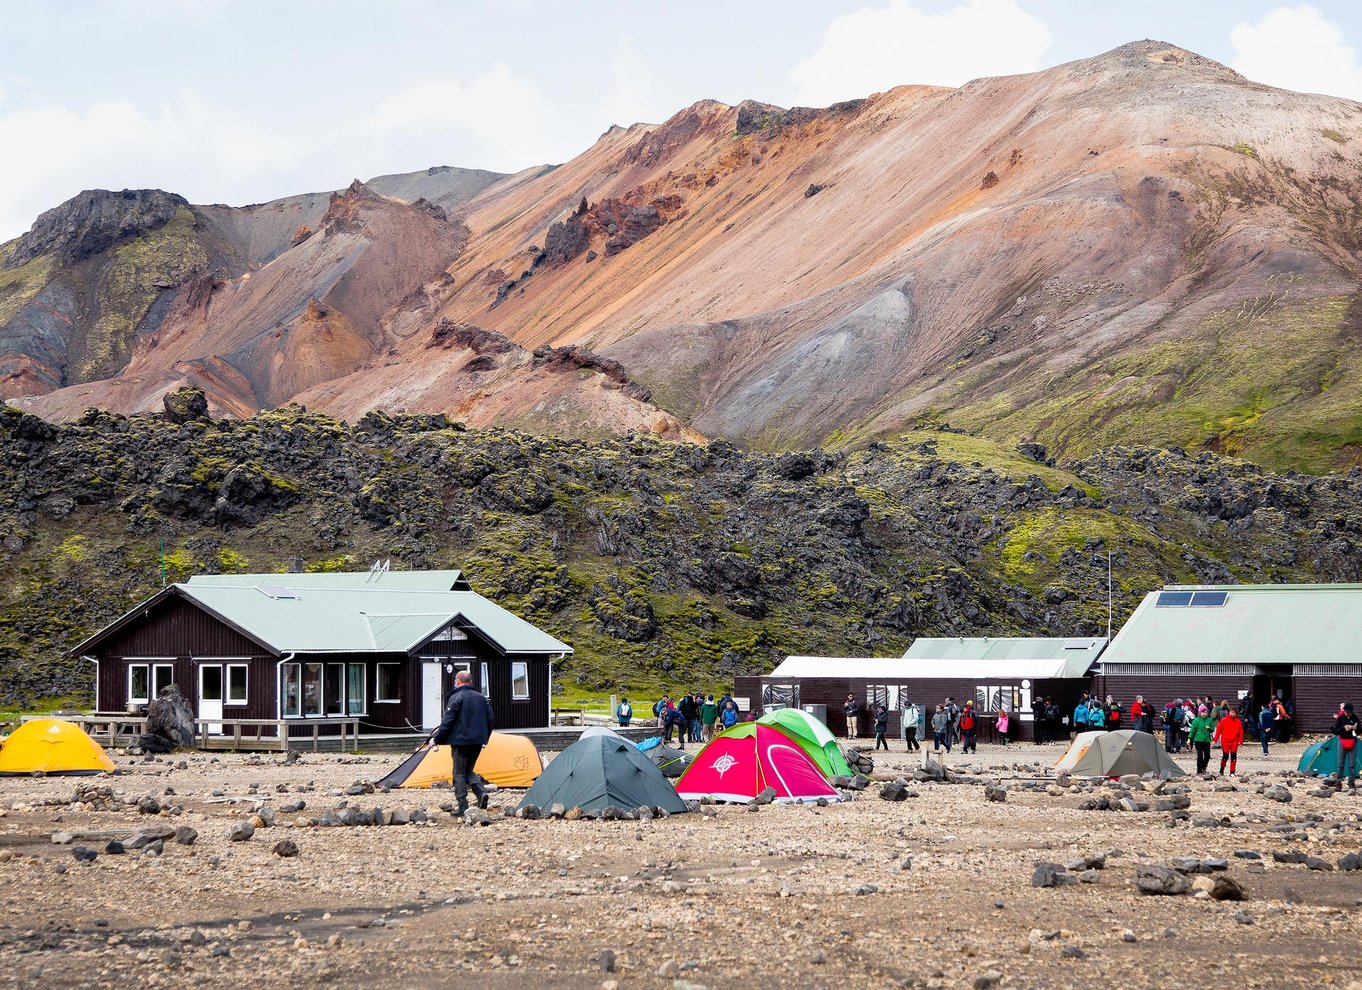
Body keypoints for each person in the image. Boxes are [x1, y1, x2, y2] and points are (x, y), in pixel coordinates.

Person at [429, 669, 494, 816]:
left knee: (458, 773)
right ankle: (481, 793)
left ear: (457, 682)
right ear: (470, 682)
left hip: (461, 742)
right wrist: (485, 738)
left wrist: (436, 739)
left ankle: (463, 806)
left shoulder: (456, 698)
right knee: (469, 770)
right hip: (478, 741)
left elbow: (447, 721)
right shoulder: (482, 699)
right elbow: (490, 720)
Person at [1334, 702, 1360, 788]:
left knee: (1352, 765)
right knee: (1340, 765)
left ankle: (1351, 783)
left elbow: (1360, 730)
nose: (1348, 714)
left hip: (1352, 742)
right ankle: (1338, 783)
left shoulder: (1355, 718)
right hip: (1342, 742)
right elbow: (1335, 731)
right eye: (1347, 712)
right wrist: (1343, 728)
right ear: (1344, 711)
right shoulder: (1340, 718)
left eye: (1350, 712)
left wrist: (1355, 728)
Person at [1214, 704, 1244, 775]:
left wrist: (1241, 741)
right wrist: (1215, 740)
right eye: (1231, 712)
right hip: (1225, 742)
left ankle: (1232, 771)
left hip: (1234, 742)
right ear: (1229, 712)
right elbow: (1218, 731)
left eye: (1234, 712)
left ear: (1236, 713)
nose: (1232, 714)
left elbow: (1241, 732)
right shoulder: (1224, 721)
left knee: (1233, 757)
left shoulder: (1238, 722)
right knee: (1225, 756)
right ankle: (1222, 769)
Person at [1188, 704, 1215, 775]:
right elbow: (1192, 730)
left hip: (1206, 740)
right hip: (1198, 740)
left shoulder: (1209, 720)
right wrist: (1189, 738)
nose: (1204, 714)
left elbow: (1212, 729)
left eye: (1205, 712)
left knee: (1207, 756)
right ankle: (1199, 771)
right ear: (1200, 712)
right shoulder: (1196, 720)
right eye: (1203, 712)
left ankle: (1204, 767)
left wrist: (1209, 728)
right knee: (1199, 755)